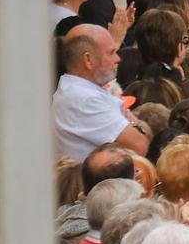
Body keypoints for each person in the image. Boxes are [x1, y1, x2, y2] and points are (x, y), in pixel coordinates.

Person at [56, 26, 146, 160]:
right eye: (111, 53)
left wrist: (133, 125)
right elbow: (140, 146)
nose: (118, 59)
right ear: (88, 60)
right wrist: (135, 124)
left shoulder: (82, 89)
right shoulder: (84, 99)